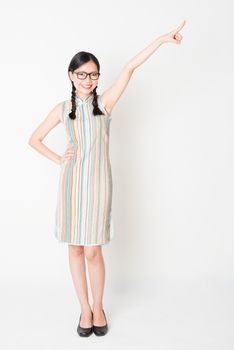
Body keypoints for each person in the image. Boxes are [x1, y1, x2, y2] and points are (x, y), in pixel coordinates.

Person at [28, 20, 186, 337]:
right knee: (74, 249)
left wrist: (160, 40)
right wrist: (60, 160)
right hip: (71, 187)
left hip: (99, 187)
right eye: (82, 74)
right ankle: (84, 309)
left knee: (93, 251)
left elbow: (129, 68)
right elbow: (34, 139)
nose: (88, 79)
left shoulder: (105, 104)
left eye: (93, 74)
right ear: (71, 75)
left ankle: (98, 306)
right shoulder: (61, 110)